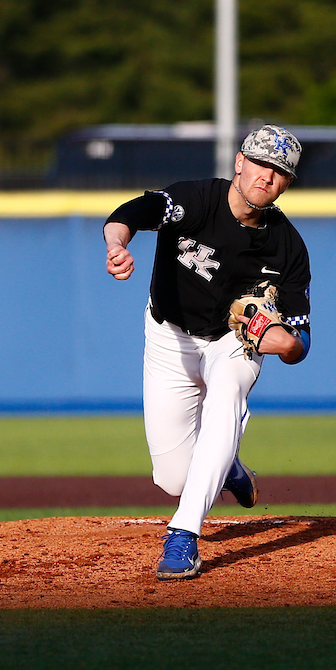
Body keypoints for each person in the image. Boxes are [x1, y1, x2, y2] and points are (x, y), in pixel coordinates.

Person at [102, 124, 312, 580]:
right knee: (174, 479)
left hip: (231, 342)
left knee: (227, 395)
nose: (266, 177)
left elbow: (300, 339)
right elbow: (132, 211)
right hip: (169, 337)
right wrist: (116, 244)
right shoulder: (196, 200)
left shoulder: (288, 247)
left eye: (279, 171)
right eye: (259, 164)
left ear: (288, 183)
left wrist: (287, 345)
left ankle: (183, 537)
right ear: (240, 161)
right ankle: (228, 464)